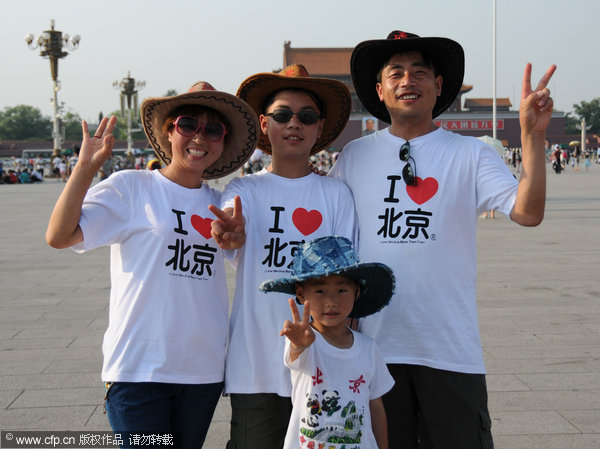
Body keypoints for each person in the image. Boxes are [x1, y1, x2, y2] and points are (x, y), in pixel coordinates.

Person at [329, 30, 556, 448]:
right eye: (395, 73)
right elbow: (332, 242)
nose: (407, 81)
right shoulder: (354, 157)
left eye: (419, 72)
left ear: (439, 86)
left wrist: (533, 137)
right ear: (379, 91)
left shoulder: (470, 154)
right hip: (375, 348)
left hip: (450, 348)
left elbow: (527, 212)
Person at [45, 81, 259, 448]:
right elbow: (60, 236)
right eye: (188, 125)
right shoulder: (133, 187)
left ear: (223, 142)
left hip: (201, 369)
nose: (200, 137)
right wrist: (84, 167)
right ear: (168, 131)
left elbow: (238, 248)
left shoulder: (225, 203)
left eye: (213, 129)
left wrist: (235, 238)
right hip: (138, 368)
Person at [209, 64, 358, 449]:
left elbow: (345, 278)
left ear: (320, 127)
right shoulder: (244, 190)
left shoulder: (336, 195)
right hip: (256, 364)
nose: (294, 124)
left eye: (306, 117)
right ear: (263, 123)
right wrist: (230, 234)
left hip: (319, 362)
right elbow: (228, 233)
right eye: (282, 115)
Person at [259, 236, 395, 449]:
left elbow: (375, 406)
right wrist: (298, 344)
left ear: (357, 292)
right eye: (320, 291)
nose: (331, 301)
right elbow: (295, 353)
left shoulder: (368, 348)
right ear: (301, 294)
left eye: (342, 290)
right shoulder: (305, 342)